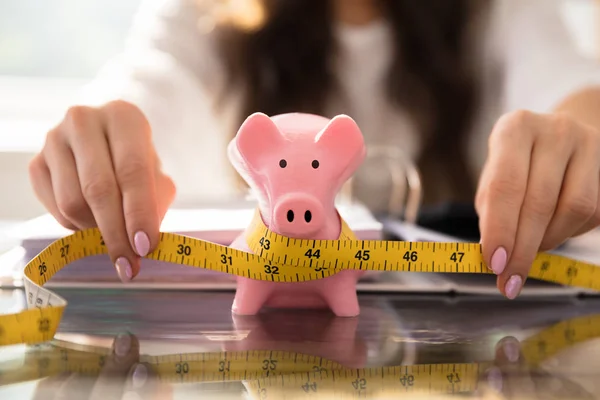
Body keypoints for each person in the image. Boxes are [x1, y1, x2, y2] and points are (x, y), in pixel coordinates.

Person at [27, 0, 600, 299]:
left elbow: (566, 87)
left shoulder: (499, 11)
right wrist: (103, 131)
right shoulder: (203, 15)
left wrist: (579, 138)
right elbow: (147, 82)